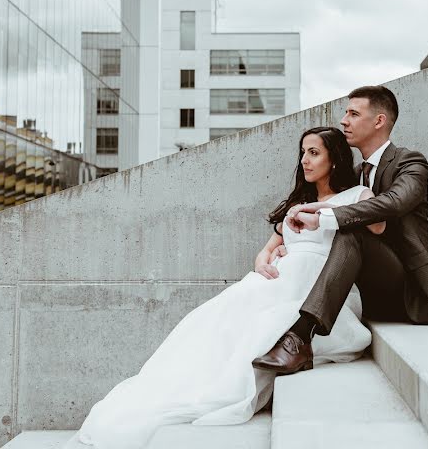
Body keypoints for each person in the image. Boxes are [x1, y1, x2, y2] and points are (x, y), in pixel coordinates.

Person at [65, 127, 381, 448]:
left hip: (317, 289)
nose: (304, 160)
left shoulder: (356, 197)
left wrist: (324, 214)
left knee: (263, 324)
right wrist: (264, 259)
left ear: (336, 158)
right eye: (302, 152)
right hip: (275, 280)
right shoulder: (299, 202)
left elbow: (378, 224)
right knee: (213, 318)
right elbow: (268, 248)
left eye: (314, 153)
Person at [253, 85, 428, 375]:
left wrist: (322, 218)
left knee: (351, 230)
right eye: (345, 113)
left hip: (403, 287)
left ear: (379, 121)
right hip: (356, 289)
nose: (344, 120)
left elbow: (394, 203)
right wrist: (291, 247)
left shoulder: (410, 162)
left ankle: (299, 336)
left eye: (353, 113)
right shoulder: (354, 177)